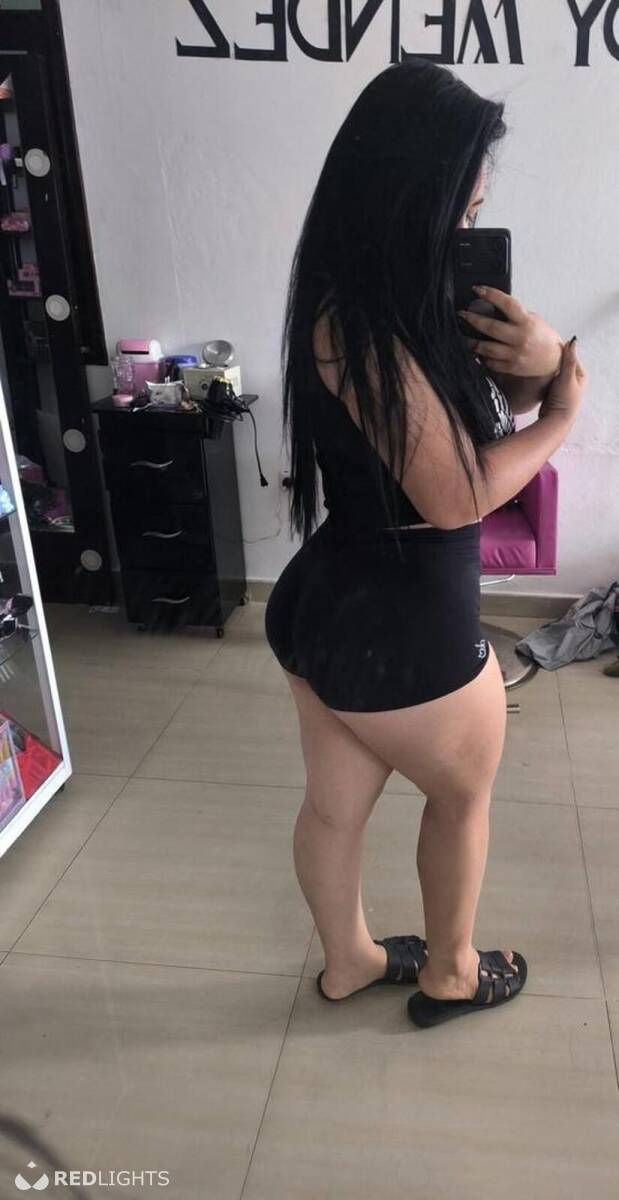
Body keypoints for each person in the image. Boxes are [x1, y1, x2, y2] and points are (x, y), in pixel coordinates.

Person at [264, 60, 587, 1028]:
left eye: (474, 209)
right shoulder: (361, 324)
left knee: (333, 807)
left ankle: (350, 963)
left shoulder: (380, 301)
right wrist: (562, 412)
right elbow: (456, 496)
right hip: (404, 626)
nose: (465, 225)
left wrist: (534, 368)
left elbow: (460, 432)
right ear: (408, 194)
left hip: (329, 605)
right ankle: (451, 972)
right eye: (457, 207)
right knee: (460, 799)